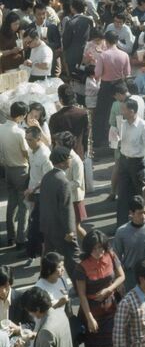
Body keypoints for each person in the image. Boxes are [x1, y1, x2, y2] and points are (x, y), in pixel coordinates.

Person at [74, 230, 125, 347]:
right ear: (88, 249)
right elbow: (82, 295)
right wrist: (90, 318)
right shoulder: (82, 267)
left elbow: (121, 276)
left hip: (111, 308)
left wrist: (109, 289)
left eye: (101, 247)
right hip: (91, 310)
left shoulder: (111, 256)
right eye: (94, 248)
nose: (98, 251)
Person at [39, 146, 80, 281]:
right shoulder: (63, 182)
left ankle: (44, 283)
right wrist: (70, 231)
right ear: (62, 162)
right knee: (73, 259)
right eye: (69, 157)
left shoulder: (46, 177)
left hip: (48, 227)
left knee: (48, 261)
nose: (71, 159)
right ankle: (80, 286)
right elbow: (66, 208)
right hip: (62, 230)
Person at [116, 98, 145, 227]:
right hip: (124, 162)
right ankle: (122, 225)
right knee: (122, 194)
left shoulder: (143, 126)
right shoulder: (122, 124)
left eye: (124, 109)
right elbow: (119, 142)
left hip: (138, 164)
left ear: (132, 111)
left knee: (141, 195)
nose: (121, 112)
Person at [12, 287, 76, 347]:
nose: (29, 314)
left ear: (38, 309)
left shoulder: (46, 331)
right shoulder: (60, 313)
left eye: (29, 311)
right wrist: (36, 335)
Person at [114, 195, 145, 291]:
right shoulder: (121, 232)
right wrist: (118, 280)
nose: (144, 216)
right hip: (130, 277)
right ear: (131, 213)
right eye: (140, 213)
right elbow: (116, 259)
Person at [0, 101, 29, 249]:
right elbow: (26, 153)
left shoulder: (0, 128)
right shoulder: (19, 132)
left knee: (11, 205)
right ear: (21, 116)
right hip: (21, 170)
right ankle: (21, 238)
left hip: (8, 170)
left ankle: (10, 236)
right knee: (23, 205)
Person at [25, 126, 52, 262]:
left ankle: (40, 255)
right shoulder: (31, 151)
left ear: (38, 138)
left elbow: (47, 179)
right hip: (32, 192)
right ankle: (34, 253)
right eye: (26, 139)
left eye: (30, 140)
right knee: (33, 223)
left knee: (37, 226)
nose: (28, 142)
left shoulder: (45, 155)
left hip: (41, 194)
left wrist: (33, 189)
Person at [49, 83, 89, 159]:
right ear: (74, 97)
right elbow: (86, 136)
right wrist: (85, 151)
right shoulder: (83, 113)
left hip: (62, 157)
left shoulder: (54, 117)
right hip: (79, 153)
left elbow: (53, 140)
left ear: (61, 100)